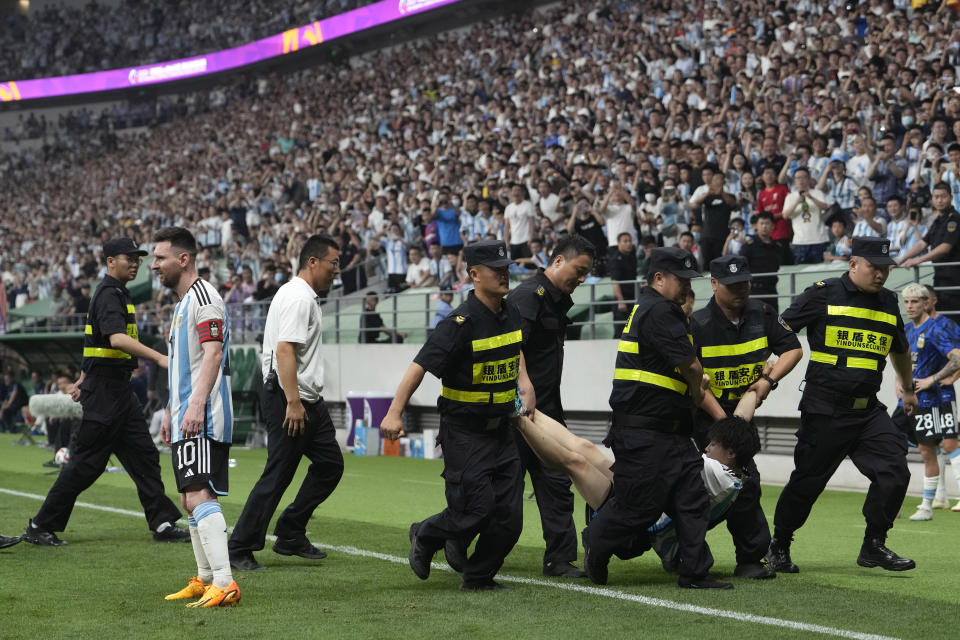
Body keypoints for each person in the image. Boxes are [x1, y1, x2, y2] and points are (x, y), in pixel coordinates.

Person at [380, 239, 536, 591]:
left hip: (502, 431)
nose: (504, 274)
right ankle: (425, 533)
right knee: (476, 509)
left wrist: (524, 382)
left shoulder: (510, 312)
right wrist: (394, 412)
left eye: (506, 268)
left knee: (510, 519)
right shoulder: (459, 323)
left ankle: (478, 577)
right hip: (465, 432)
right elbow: (419, 366)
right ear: (474, 275)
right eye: (496, 270)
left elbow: (515, 348)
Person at [766, 237, 919, 574]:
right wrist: (768, 365)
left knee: (894, 470)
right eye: (873, 267)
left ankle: (873, 545)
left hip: (867, 412)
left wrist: (907, 389)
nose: (880, 275)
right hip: (825, 409)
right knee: (807, 482)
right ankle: (779, 543)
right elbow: (781, 327)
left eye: (885, 269)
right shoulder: (823, 292)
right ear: (853, 265)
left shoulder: (889, 302)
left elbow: (900, 350)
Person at [22, 237, 188, 547]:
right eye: (130, 257)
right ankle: (40, 525)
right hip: (107, 394)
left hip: (116, 392)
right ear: (111, 261)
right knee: (86, 464)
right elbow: (116, 339)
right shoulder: (111, 294)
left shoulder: (114, 293)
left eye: (139, 258)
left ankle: (163, 522)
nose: (136, 263)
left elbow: (93, 342)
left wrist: (83, 377)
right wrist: (159, 357)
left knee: (145, 455)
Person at [582, 247, 731, 589]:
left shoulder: (654, 309)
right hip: (646, 430)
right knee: (640, 507)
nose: (686, 289)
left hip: (669, 431)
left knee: (691, 501)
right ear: (659, 278)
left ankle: (694, 571)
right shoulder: (661, 310)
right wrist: (696, 390)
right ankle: (597, 542)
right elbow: (691, 366)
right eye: (681, 281)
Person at [515, 391, 760, 573]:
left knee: (573, 462)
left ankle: (518, 417)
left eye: (714, 444)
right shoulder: (734, 469)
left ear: (730, 454)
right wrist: (763, 383)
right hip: (646, 495)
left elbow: (677, 451)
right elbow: (741, 418)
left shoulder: (719, 477)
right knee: (584, 447)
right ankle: (523, 403)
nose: (707, 447)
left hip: (637, 525)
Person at [229, 235, 345, 571]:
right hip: (289, 396)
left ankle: (291, 530)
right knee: (279, 471)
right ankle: (239, 546)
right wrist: (293, 402)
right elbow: (284, 351)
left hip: (307, 397)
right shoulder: (298, 298)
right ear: (313, 262)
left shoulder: (301, 295)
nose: (337, 270)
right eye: (333, 262)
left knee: (330, 465)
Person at [691, 255, 803, 579]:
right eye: (731, 285)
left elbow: (793, 349)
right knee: (692, 488)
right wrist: (726, 423)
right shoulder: (697, 324)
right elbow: (694, 381)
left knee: (746, 485)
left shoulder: (763, 313)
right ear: (713, 284)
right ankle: (685, 553)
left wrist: (767, 382)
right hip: (704, 419)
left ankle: (751, 559)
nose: (740, 290)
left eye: (745, 283)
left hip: (741, 419)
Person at [151, 227, 240, 608]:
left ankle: (226, 581)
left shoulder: (204, 297)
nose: (153, 265)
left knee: (200, 493)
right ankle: (206, 579)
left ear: (183, 259)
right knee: (190, 499)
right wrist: (174, 410)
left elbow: (213, 354)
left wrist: (196, 404)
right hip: (187, 413)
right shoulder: (182, 303)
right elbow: (184, 368)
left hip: (203, 414)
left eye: (159, 258)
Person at [505, 233, 596, 578]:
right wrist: (525, 382)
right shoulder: (529, 295)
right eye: (579, 269)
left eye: (587, 273)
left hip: (546, 412)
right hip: (516, 413)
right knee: (503, 493)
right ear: (558, 260)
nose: (582, 278)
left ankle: (559, 559)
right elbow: (512, 343)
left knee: (557, 484)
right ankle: (442, 535)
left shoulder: (557, 299)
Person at [892, 284, 960, 521]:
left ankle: (927, 506)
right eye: (907, 302)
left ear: (926, 303)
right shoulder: (907, 330)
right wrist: (898, 380)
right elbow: (902, 360)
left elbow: (957, 357)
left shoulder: (936, 329)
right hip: (906, 400)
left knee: (930, 450)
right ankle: (892, 501)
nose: (910, 306)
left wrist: (933, 379)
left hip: (931, 400)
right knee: (889, 444)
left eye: (915, 302)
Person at [898, 182, 960, 315]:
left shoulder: (954, 219)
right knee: (942, 318)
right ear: (932, 199)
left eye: (943, 196)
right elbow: (923, 243)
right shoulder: (938, 220)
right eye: (936, 197)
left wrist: (918, 260)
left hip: (954, 278)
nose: (939, 200)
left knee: (954, 319)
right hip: (940, 277)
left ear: (950, 197)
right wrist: (901, 259)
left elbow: (945, 247)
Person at [783, 168, 829, 264]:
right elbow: (785, 215)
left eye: (804, 177)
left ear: (809, 179)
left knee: (819, 272)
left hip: (818, 239)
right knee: (801, 273)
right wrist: (797, 202)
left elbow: (825, 207)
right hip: (800, 241)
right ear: (795, 181)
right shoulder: (790, 196)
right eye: (798, 178)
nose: (801, 180)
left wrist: (811, 197)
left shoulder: (817, 193)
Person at [740, 212, 780, 311]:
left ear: (772, 226)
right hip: (754, 290)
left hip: (772, 289)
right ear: (756, 226)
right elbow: (741, 266)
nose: (764, 226)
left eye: (767, 223)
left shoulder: (777, 246)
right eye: (761, 223)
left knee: (773, 322)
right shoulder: (749, 246)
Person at [607, 232, 637, 337]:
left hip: (632, 298)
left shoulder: (631, 256)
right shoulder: (616, 259)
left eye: (630, 241)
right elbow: (614, 281)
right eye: (625, 241)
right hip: (623, 300)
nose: (629, 243)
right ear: (619, 243)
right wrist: (621, 301)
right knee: (620, 331)